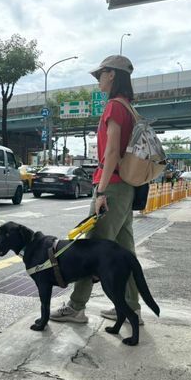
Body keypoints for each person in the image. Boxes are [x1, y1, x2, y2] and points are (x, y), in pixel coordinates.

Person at [50, 55, 143, 325]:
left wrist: (101, 192)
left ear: (112, 74)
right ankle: (131, 308)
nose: (98, 79)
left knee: (91, 249)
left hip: (111, 186)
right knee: (126, 251)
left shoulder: (114, 107)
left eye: (100, 74)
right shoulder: (130, 108)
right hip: (126, 187)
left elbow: (112, 150)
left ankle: (76, 307)